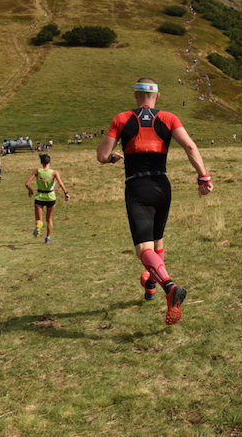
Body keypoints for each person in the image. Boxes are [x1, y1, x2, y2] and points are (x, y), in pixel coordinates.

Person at [96, 77, 213, 326]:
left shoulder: (122, 119)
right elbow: (191, 147)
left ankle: (169, 287)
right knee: (158, 242)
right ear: (157, 96)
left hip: (137, 187)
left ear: (136, 96)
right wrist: (203, 176)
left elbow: (102, 155)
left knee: (144, 249)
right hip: (163, 187)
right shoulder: (169, 118)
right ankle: (150, 284)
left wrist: (114, 159)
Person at [25, 154, 70, 244]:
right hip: (50, 197)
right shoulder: (54, 172)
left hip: (39, 197)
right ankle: (47, 238)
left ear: (41, 162)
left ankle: (38, 226)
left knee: (39, 219)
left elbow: (27, 183)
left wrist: (30, 190)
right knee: (49, 219)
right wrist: (66, 193)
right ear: (50, 162)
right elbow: (61, 183)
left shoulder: (37, 171)